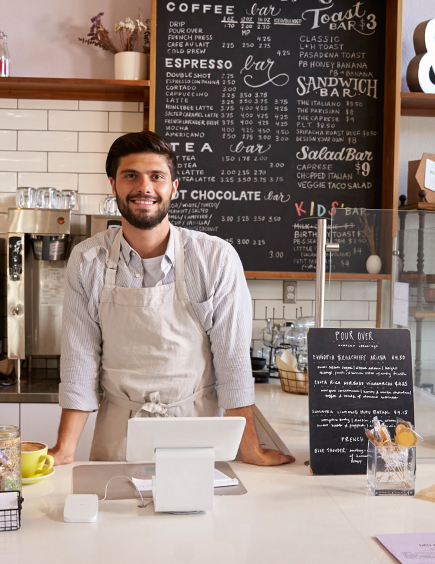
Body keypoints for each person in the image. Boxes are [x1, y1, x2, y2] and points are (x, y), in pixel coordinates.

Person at [49, 130, 294, 466]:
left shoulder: (214, 258)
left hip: (196, 432)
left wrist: (249, 448)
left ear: (173, 187)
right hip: (119, 438)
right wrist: (64, 449)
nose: (144, 187)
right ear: (113, 185)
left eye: (157, 176)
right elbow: (80, 362)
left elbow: (232, 360)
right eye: (130, 175)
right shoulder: (87, 259)